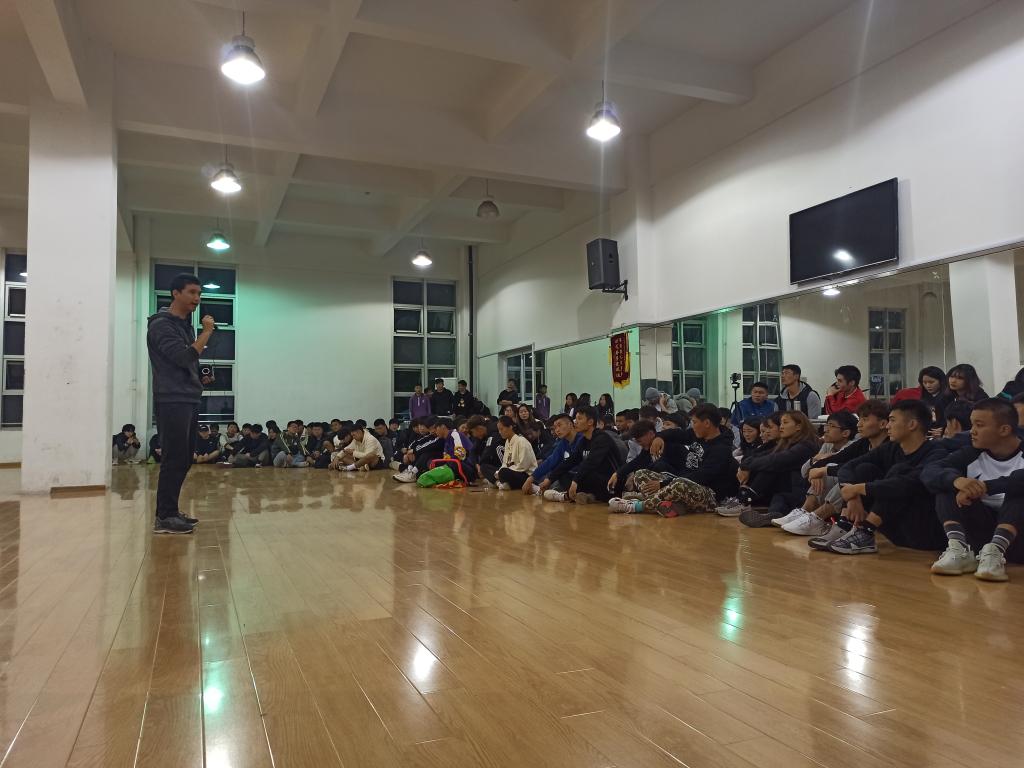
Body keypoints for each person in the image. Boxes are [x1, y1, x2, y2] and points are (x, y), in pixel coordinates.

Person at [827, 400, 946, 555]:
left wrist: (858, 488)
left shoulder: (936, 452)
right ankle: (845, 525)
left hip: (925, 531)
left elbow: (909, 483)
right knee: (864, 469)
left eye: (892, 420)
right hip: (896, 529)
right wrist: (852, 497)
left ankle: (866, 530)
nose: (888, 426)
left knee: (898, 473)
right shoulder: (891, 448)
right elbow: (848, 467)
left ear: (912, 424)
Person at [924, 399, 1024, 580]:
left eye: (979, 425)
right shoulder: (972, 452)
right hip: (982, 534)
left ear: (1004, 430)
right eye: (972, 425)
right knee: (947, 486)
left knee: (1018, 489)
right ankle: (959, 549)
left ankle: (996, 551)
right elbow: (930, 471)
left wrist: (986, 486)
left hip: (1018, 536)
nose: (972, 431)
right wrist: (957, 481)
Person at [146, 273, 214, 534]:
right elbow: (183, 357)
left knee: (184, 458)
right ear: (175, 293)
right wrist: (207, 332)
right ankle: (164, 517)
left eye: (199, 293)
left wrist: (198, 378)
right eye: (192, 292)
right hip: (172, 398)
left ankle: (171, 511)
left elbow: (187, 362)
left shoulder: (184, 325)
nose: (197, 298)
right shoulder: (161, 325)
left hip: (187, 396)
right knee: (174, 457)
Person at [786, 400, 892, 543]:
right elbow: (839, 460)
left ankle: (821, 518)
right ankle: (812, 514)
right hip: (860, 496)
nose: (859, 424)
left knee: (860, 469)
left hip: (882, 497)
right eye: (860, 419)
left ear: (883, 424)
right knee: (839, 470)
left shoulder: (891, 447)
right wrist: (816, 469)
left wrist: (823, 471)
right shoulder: (863, 443)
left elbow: (854, 467)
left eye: (865, 419)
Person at [609, 404, 740, 517]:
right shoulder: (697, 435)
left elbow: (701, 477)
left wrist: (663, 484)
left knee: (680, 484)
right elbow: (676, 433)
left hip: (710, 495)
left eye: (694, 422)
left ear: (706, 423)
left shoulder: (721, 449)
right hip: (681, 481)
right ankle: (672, 505)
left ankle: (636, 506)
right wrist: (659, 437)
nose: (692, 426)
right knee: (641, 474)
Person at [719, 411, 819, 524]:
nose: (781, 427)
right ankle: (772, 517)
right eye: (781, 423)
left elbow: (776, 460)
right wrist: (744, 466)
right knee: (777, 502)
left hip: (802, 492)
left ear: (798, 426)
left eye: (785, 423)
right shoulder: (785, 444)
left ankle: (745, 501)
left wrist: (746, 466)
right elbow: (756, 456)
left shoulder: (806, 446)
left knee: (771, 467)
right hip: (785, 492)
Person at [771, 411, 857, 532]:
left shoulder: (852, 447)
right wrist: (814, 462)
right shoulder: (827, 445)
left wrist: (819, 470)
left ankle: (815, 517)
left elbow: (840, 471)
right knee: (820, 471)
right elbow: (804, 471)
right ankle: (804, 511)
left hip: (842, 492)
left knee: (829, 468)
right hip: (817, 491)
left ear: (845, 433)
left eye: (831, 426)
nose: (826, 429)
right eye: (826, 425)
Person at [543, 406, 622, 504]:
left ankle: (566, 496)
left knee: (585, 474)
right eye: (575, 418)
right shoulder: (584, 441)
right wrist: (550, 479)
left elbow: (591, 462)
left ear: (590, 422)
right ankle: (587, 496)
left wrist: (575, 481)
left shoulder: (602, 438)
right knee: (564, 474)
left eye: (579, 419)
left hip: (612, 483)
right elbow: (571, 461)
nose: (575, 422)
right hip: (594, 480)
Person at [523, 413, 580, 496]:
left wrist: (549, 479)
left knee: (560, 473)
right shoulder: (563, 442)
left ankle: (552, 491)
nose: (557, 430)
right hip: (568, 478)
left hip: (582, 477)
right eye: (555, 427)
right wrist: (530, 478)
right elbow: (551, 461)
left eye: (559, 425)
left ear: (570, 424)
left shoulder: (582, 439)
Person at [892, 366, 953, 434]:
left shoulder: (947, 398)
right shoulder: (923, 398)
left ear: (941, 381)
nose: (928, 385)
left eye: (931, 382)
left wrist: (944, 430)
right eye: (924, 382)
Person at [490, 416, 538, 490]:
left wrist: (503, 471)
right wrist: (498, 472)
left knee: (503, 472)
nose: (500, 432)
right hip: (514, 471)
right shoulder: (507, 442)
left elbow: (524, 465)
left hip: (526, 475)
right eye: (499, 430)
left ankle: (502, 483)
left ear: (510, 427)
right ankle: (505, 483)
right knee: (487, 467)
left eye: (501, 429)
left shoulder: (521, 441)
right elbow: (505, 463)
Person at [393, 418, 445, 482]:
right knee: (417, 452)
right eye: (429, 429)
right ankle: (410, 471)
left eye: (433, 428)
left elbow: (428, 446)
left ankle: (413, 473)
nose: (421, 428)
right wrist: (410, 450)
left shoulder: (441, 438)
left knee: (426, 453)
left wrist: (414, 451)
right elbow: (416, 443)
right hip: (432, 457)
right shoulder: (429, 435)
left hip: (441, 458)